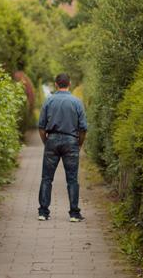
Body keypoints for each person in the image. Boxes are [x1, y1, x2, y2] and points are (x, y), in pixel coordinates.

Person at [37, 73, 88, 222]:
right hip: (71, 141)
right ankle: (74, 214)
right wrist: (79, 144)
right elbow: (83, 128)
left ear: (56, 84)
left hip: (52, 139)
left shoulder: (49, 101)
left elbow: (41, 127)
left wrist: (46, 142)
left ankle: (43, 212)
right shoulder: (77, 102)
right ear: (69, 84)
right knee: (72, 179)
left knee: (47, 178)